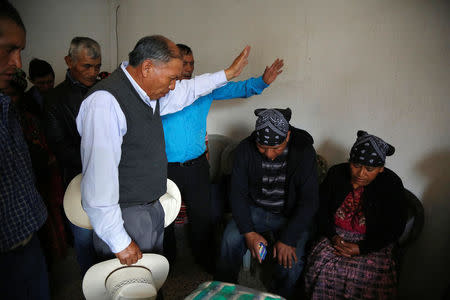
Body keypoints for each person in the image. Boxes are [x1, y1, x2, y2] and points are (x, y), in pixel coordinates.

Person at [76, 35, 249, 266]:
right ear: (147, 67)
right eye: (171, 78)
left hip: (150, 207)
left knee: (149, 277)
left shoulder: (148, 94)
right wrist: (119, 241)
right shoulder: (104, 103)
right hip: (127, 216)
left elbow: (190, 89)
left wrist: (227, 74)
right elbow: (98, 181)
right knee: (131, 285)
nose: (174, 85)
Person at [162, 43, 284, 272]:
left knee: (202, 216)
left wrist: (263, 82)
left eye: (191, 63)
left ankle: (204, 261)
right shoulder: (159, 92)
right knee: (164, 217)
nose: (187, 68)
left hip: (196, 165)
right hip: (164, 167)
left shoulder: (202, 89)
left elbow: (238, 89)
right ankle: (167, 263)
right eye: (183, 63)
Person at [215, 108, 319, 299]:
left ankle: (279, 294)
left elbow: (309, 201)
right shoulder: (245, 150)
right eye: (262, 147)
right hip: (256, 209)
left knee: (291, 264)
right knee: (229, 240)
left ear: (287, 135)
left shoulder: (303, 151)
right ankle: (223, 288)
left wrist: (288, 239)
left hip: (291, 214)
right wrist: (249, 232)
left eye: (276, 148)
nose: (269, 154)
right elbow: (237, 194)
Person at [304, 130, 408, 299]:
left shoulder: (391, 183)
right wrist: (333, 237)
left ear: (381, 169)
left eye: (369, 169)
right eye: (356, 165)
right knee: (320, 264)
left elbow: (395, 227)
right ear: (349, 161)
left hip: (373, 240)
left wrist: (361, 248)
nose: (361, 174)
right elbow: (320, 209)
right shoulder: (337, 174)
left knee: (370, 276)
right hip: (335, 234)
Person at [0, 2, 50, 298]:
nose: (17, 63)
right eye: (8, 49)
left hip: (28, 240)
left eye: (20, 51)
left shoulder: (8, 108)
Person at [45, 36, 102, 276]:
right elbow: (60, 146)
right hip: (78, 180)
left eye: (97, 66)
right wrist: (100, 163)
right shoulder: (54, 100)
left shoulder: (104, 90)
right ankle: (91, 283)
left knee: (110, 236)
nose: (93, 72)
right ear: (69, 61)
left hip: (112, 177)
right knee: (85, 237)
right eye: (86, 66)